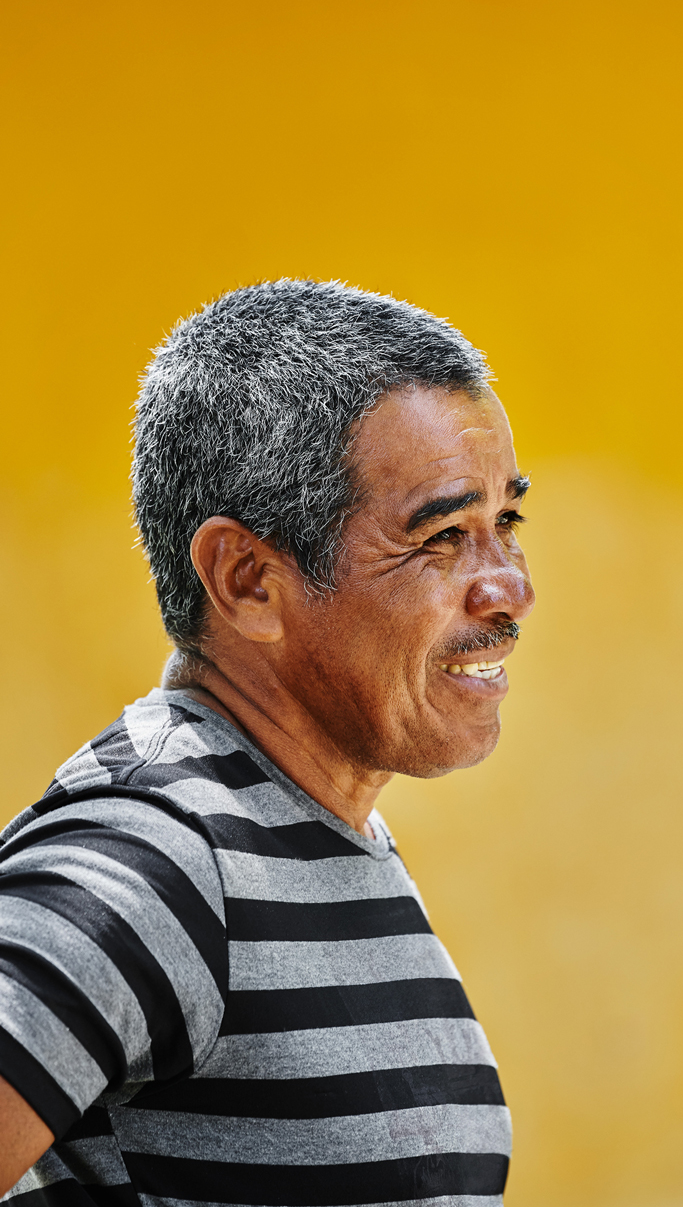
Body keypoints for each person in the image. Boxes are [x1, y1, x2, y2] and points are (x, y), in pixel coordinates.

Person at [0, 279, 535, 1206]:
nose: (507, 590)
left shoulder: (317, 831)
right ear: (247, 579)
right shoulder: (152, 863)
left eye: (507, 524)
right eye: (442, 536)